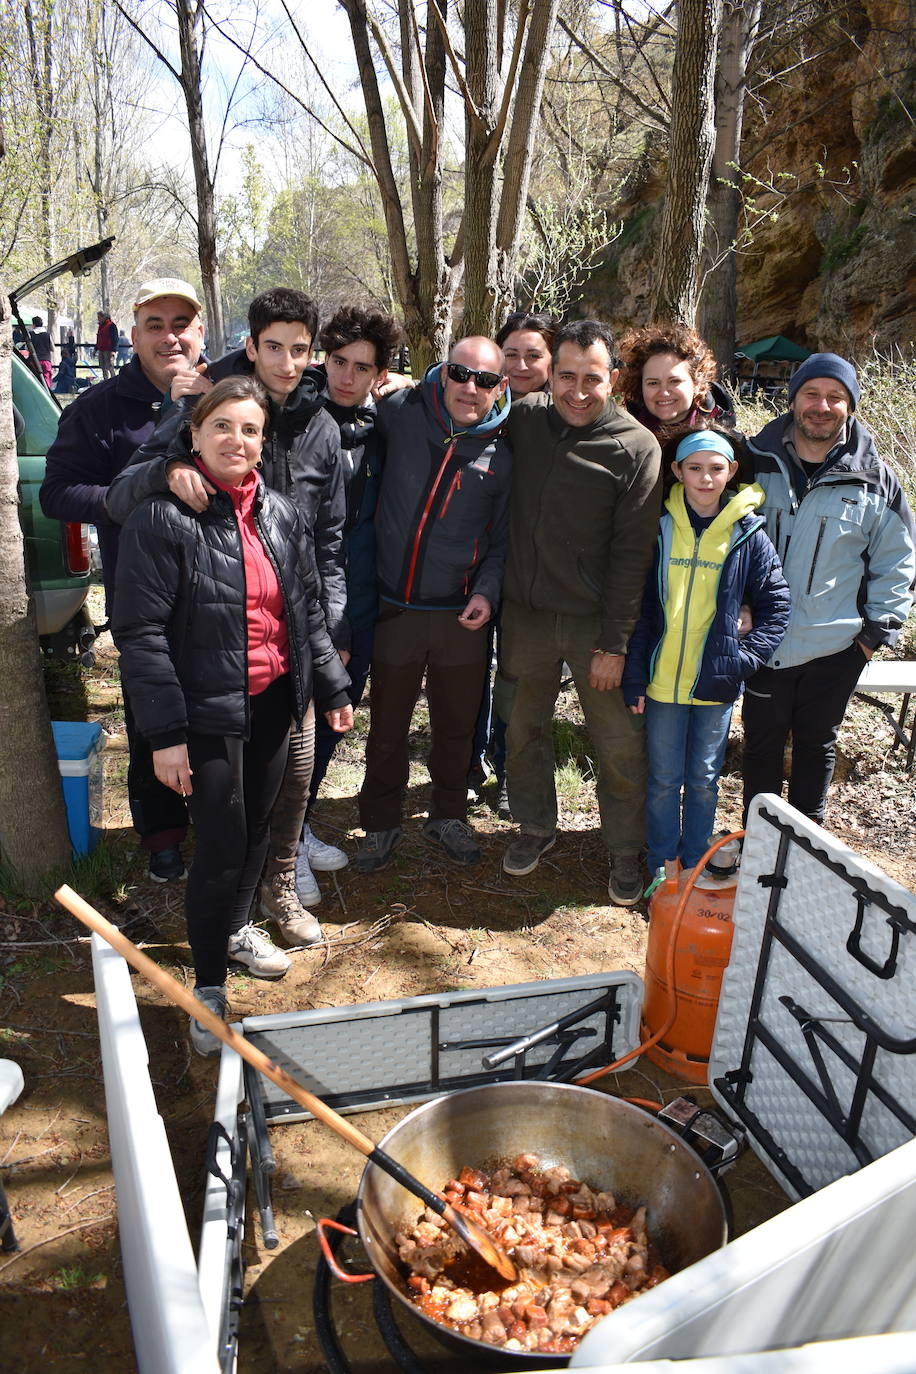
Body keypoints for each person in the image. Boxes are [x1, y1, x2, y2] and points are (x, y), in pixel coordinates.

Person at [111, 377, 352, 1053]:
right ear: (194, 435)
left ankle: (238, 929)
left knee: (259, 834)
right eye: (222, 427)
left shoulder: (278, 512)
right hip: (205, 714)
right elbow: (141, 634)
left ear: (263, 442)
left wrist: (332, 685)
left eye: (250, 430)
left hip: (275, 702)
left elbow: (303, 607)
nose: (236, 440)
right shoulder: (163, 518)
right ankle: (209, 985)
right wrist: (163, 735)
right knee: (219, 847)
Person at [40, 277, 208, 883]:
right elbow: (57, 491)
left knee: (217, 715)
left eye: (181, 324)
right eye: (155, 325)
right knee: (151, 714)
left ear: (200, 331)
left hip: (223, 592)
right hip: (144, 594)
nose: (170, 337)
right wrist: (133, 493)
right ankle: (161, 835)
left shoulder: (224, 397)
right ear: (132, 334)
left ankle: (218, 825)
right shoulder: (99, 408)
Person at [500, 319, 661, 906]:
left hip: (598, 623)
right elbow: (460, 396)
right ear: (550, 374)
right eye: (565, 375)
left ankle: (624, 848)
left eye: (592, 378)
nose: (577, 390)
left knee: (618, 741)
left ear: (613, 379)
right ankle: (536, 827)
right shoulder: (525, 420)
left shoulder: (635, 447)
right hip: (526, 615)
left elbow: (632, 556)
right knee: (522, 728)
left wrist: (615, 645)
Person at [354, 336, 512, 873]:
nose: (471, 388)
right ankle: (379, 822)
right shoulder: (401, 411)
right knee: (388, 724)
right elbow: (335, 385)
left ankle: (448, 813)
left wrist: (487, 592)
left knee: (456, 725)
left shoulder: (502, 454)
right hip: (395, 607)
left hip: (459, 617)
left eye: (486, 380)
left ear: (500, 387)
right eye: (461, 374)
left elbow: (501, 541)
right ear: (442, 374)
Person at [742, 352, 916, 824]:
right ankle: (759, 844)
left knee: (816, 746)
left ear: (851, 406)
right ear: (794, 398)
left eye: (835, 397)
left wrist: (870, 638)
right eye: (812, 394)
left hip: (836, 648)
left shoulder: (877, 480)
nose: (823, 405)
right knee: (760, 747)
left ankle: (805, 851)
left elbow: (897, 563)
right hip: (762, 643)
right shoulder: (752, 461)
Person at [622, 429, 791, 875]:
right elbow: (641, 611)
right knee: (662, 781)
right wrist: (635, 676)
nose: (705, 478)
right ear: (677, 472)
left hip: (715, 684)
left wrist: (741, 660)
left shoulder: (747, 534)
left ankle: (694, 860)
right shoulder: (657, 528)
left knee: (702, 780)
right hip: (661, 685)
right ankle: (662, 864)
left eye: (716, 468)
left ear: (731, 472)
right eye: (694, 468)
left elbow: (777, 606)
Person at [293, 304, 402, 903]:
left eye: (363, 367)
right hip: (294, 595)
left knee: (336, 715)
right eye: (338, 361)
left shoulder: (379, 425)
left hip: (357, 597)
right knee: (291, 722)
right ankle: (279, 848)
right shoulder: (291, 415)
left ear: (379, 374)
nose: (346, 375)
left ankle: (298, 823)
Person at [468, 311, 559, 820]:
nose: (521, 365)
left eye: (534, 355)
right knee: (472, 670)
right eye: (512, 354)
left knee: (516, 677)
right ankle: (467, 765)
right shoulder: (478, 401)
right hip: (474, 561)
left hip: (532, 571)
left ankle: (509, 772)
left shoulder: (559, 414)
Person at [617, 322, 736, 440]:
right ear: (640, 386)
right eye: (653, 383)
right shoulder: (622, 439)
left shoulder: (724, 445)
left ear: (697, 384)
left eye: (674, 381)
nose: (663, 392)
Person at [29, 316, 55, 389]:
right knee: (47, 378)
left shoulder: (31, 334)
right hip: (46, 360)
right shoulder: (47, 335)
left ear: (34, 324)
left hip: (34, 360)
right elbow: (52, 348)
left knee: (35, 378)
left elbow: (27, 347)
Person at [95, 310, 119, 380]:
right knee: (103, 367)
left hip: (108, 350)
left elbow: (115, 338)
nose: (98, 319)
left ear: (104, 317)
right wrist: (96, 348)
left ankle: (113, 381)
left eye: (99, 317)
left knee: (110, 366)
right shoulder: (100, 326)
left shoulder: (111, 325)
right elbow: (99, 338)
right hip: (101, 349)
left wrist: (113, 350)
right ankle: (106, 381)